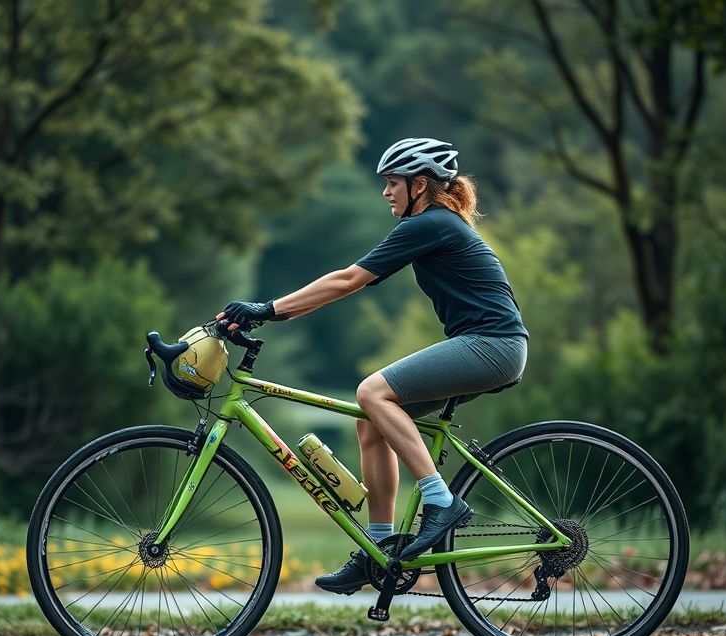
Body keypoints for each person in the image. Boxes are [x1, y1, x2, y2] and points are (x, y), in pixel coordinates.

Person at [218, 137, 529, 594]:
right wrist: (274, 313)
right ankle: (378, 550)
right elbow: (343, 285)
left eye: (392, 183)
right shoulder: (432, 223)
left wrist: (266, 309)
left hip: (492, 345)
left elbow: (348, 280)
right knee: (371, 423)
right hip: (488, 345)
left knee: (371, 391)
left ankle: (441, 502)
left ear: (420, 185)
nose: (386, 192)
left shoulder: (431, 223)